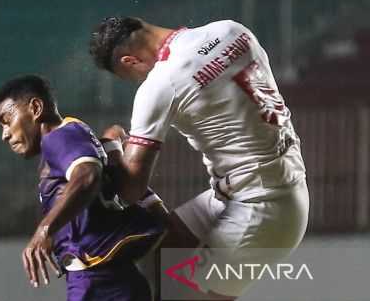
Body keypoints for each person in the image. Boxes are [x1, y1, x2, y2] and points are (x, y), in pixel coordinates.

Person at [89, 17, 309, 299]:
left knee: (179, 294)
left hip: (260, 210)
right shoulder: (232, 29)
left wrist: (111, 146)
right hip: (271, 189)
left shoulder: (161, 83)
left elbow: (130, 188)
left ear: (130, 61)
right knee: (158, 252)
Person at [0, 74, 166, 301]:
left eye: (7, 120)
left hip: (99, 280)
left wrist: (45, 229)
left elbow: (87, 176)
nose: (5, 134)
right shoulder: (69, 135)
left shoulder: (58, 136)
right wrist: (113, 147)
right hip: (105, 279)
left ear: (35, 108)